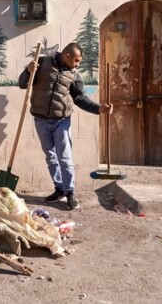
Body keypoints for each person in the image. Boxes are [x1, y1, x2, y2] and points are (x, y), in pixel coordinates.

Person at [19, 42, 111, 210]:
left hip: (61, 121)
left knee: (65, 157)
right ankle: (59, 188)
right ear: (67, 56)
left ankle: (70, 192)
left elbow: (80, 98)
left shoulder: (74, 76)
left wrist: (98, 109)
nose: (77, 65)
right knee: (50, 156)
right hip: (40, 120)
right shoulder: (42, 63)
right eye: (76, 61)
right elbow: (22, 84)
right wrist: (28, 71)